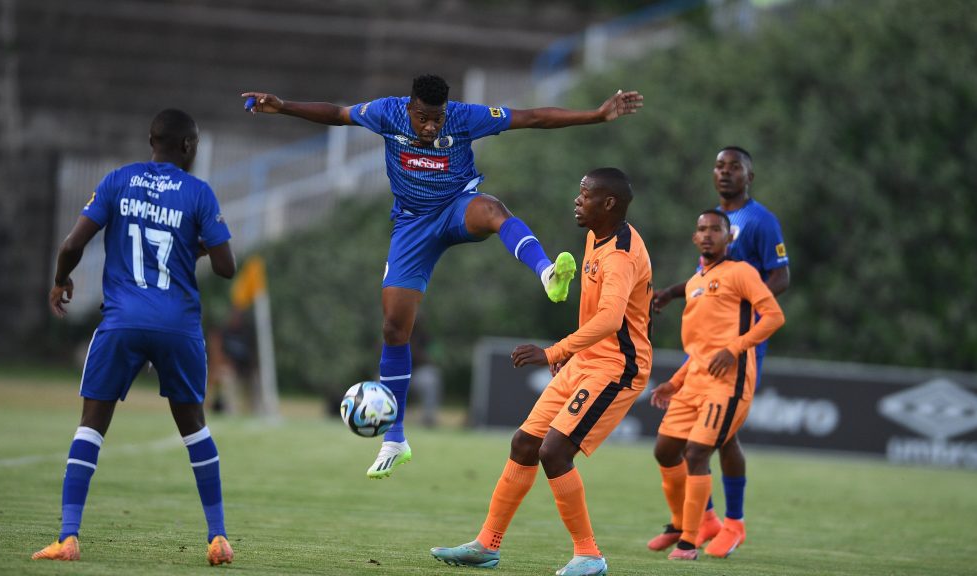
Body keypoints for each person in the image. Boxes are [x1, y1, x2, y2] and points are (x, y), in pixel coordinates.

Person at [242, 74, 644, 479]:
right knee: (394, 327)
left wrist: (595, 114)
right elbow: (339, 114)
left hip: (456, 208)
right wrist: (284, 105)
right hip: (412, 226)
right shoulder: (386, 112)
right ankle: (395, 438)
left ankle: (547, 274)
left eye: (437, 118)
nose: (431, 127)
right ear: (409, 109)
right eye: (423, 118)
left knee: (491, 210)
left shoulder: (464, 118)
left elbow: (532, 117)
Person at [33, 109, 238, 566]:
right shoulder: (198, 193)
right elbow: (227, 268)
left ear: (152, 141)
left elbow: (71, 245)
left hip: (122, 322)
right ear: (187, 147)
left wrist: (61, 279)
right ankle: (218, 535)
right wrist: (197, 246)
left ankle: (68, 538)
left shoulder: (117, 181)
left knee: (90, 427)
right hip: (178, 328)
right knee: (195, 429)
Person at [430, 168, 651, 576]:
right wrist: (572, 355)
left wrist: (554, 352)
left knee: (554, 451)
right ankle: (486, 545)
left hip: (617, 367)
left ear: (609, 204)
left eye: (585, 195)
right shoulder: (595, 236)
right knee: (525, 444)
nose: (577, 200)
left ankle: (589, 556)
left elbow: (610, 319)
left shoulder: (620, 254)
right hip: (586, 360)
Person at [649, 146, 790, 557]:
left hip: (741, 344)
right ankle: (701, 520)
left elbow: (780, 276)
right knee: (710, 441)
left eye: (735, 167)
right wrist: (675, 293)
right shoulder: (715, 220)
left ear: (750, 176)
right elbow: (705, 278)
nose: (726, 173)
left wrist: (744, 306)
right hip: (708, 346)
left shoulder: (761, 221)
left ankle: (730, 523)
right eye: (719, 166)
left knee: (722, 438)